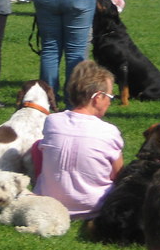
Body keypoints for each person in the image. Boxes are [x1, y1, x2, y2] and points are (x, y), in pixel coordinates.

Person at [35, 61, 122, 219]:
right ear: (97, 98)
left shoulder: (52, 121)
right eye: (110, 96)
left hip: (49, 203)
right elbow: (119, 175)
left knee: (37, 146)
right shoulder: (109, 131)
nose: (110, 101)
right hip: (95, 207)